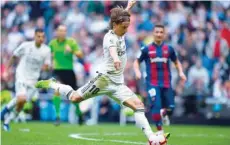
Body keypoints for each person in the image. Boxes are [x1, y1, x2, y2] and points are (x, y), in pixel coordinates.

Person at [35, 1, 169, 145]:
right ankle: (53, 84)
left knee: (139, 106)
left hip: (117, 83)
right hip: (103, 81)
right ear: (115, 25)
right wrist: (116, 59)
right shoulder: (109, 38)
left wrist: (129, 7)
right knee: (74, 98)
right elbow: (112, 50)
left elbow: (123, 17)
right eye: (124, 27)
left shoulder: (120, 29)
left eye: (127, 26)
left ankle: (151, 139)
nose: (126, 29)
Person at [133, 24, 187, 134]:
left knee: (171, 108)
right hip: (152, 83)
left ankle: (165, 113)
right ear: (153, 33)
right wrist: (137, 72)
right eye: (156, 32)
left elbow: (176, 62)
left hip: (166, 83)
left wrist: (181, 72)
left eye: (161, 32)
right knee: (156, 105)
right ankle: (159, 131)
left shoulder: (169, 49)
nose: (158, 34)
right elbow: (136, 62)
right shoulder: (146, 49)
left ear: (164, 34)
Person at [1, 28, 51, 131]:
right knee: (21, 98)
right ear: (34, 36)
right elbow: (14, 56)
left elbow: (47, 65)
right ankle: (4, 112)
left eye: (43, 37)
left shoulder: (47, 50)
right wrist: (6, 70)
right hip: (22, 75)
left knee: (21, 103)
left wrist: (46, 67)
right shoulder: (26, 46)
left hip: (34, 80)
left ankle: (6, 120)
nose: (41, 38)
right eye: (39, 36)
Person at [49, 25, 84, 125]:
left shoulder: (71, 42)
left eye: (64, 31)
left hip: (69, 72)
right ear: (56, 32)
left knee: (74, 97)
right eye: (60, 31)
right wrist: (49, 62)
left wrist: (72, 51)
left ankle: (79, 113)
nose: (62, 33)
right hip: (57, 71)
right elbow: (48, 56)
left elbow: (81, 55)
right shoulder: (52, 43)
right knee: (57, 90)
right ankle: (57, 117)